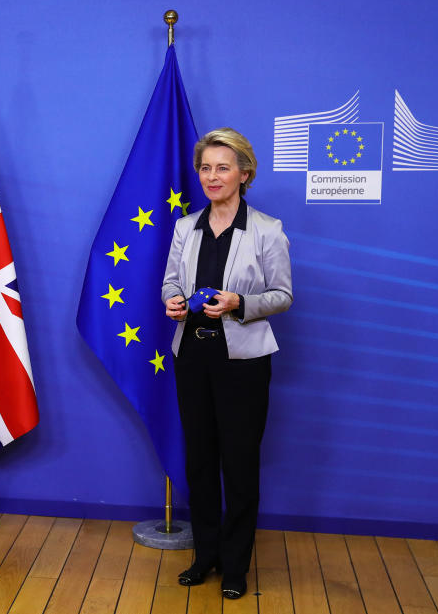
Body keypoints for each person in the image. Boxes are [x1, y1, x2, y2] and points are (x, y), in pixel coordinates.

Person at [161, 128, 292, 599]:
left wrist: (239, 302)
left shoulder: (267, 230)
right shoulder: (184, 227)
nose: (211, 176)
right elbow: (171, 283)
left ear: (244, 173)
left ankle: (235, 566)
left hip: (243, 364)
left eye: (222, 167)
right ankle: (206, 556)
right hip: (191, 358)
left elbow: (282, 295)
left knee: (238, 465)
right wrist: (173, 302)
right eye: (205, 167)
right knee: (199, 462)